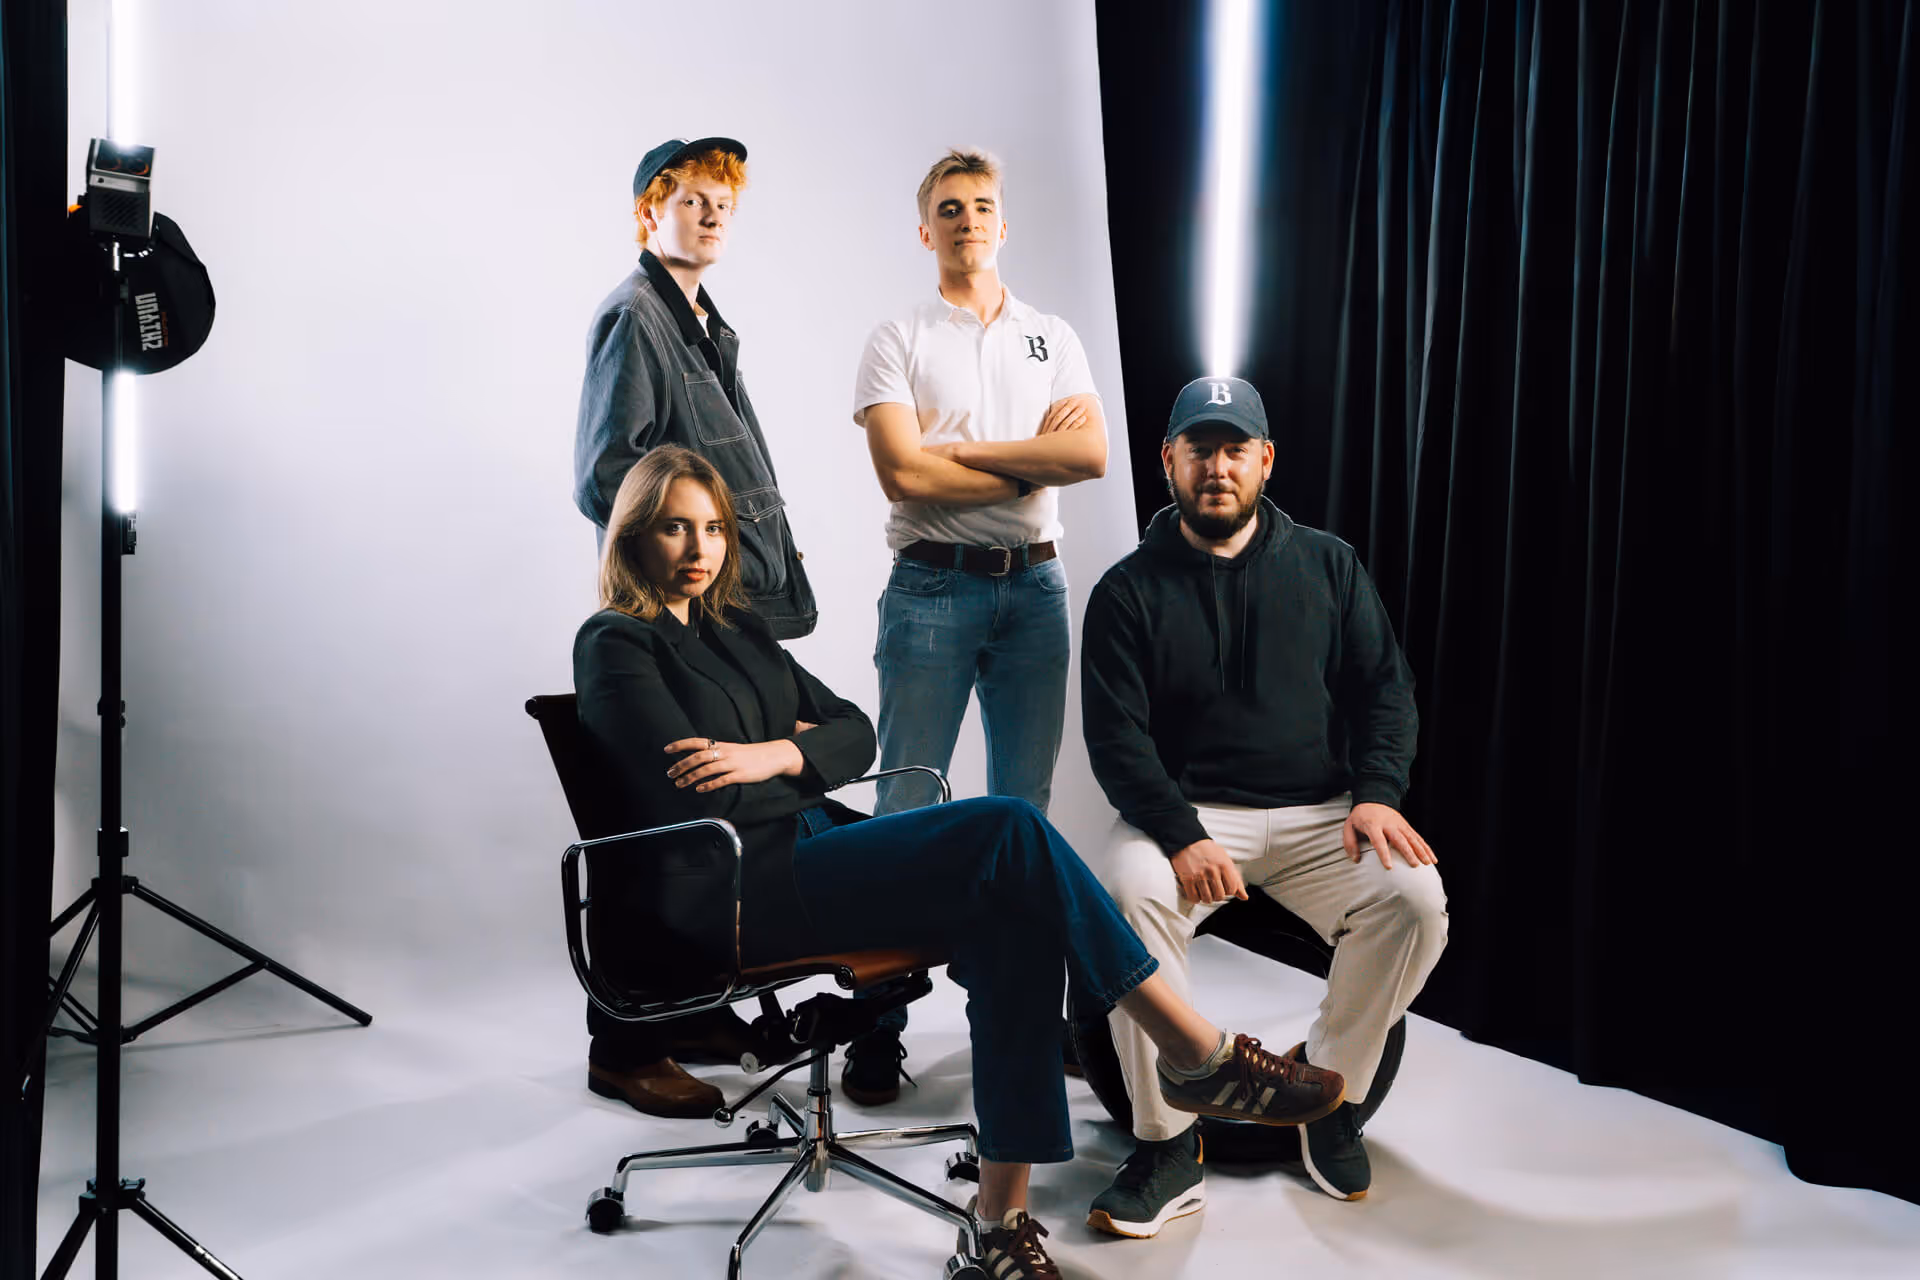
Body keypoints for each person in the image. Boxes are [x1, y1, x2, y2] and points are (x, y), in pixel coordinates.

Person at [574, 446, 1346, 1278]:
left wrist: (773, 758)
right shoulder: (617, 644)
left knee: (1011, 915)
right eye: (674, 529)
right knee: (1008, 827)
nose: (699, 549)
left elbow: (853, 732)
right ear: (634, 538)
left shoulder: (740, 632)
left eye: (715, 529)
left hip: (806, 856)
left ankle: (997, 1227)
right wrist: (791, 756)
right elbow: (695, 802)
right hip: (726, 894)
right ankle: (1195, 1052)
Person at [1081, 376, 1448, 1233]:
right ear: (1167, 459)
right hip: (1186, 812)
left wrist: (1376, 796)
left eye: (1234, 448)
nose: (1217, 467)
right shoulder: (1127, 590)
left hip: (1324, 814)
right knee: (1127, 895)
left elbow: (1385, 692)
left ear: (1265, 460)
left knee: (1415, 900)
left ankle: (1328, 1095)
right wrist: (1179, 832)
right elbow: (1116, 740)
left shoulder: (1328, 563)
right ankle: (1168, 1146)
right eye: (1199, 448)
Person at [569, 135, 816, 1116]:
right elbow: (605, 471)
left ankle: (695, 1003)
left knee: (728, 815)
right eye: (692, 201)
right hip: (668, 608)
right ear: (648, 212)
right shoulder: (636, 317)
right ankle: (625, 1043)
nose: (712, 216)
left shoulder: (703, 320)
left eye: (724, 203)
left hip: (723, 605)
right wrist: (677, 561)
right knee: (655, 816)